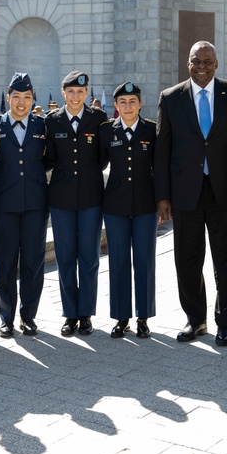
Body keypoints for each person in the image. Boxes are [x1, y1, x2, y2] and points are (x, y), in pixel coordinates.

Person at [154, 40, 227, 345]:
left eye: (207, 62)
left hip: (224, 191)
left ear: (217, 64)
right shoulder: (170, 98)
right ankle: (196, 320)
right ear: (188, 63)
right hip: (185, 193)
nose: (202, 68)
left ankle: (225, 322)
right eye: (196, 62)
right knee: (187, 260)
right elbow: (162, 150)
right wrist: (162, 196)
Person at [0, 72, 50, 337]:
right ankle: (6, 318)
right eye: (16, 97)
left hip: (35, 205)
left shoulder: (42, 126)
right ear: (8, 97)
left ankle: (29, 316)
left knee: (34, 263)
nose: (21, 103)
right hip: (4, 207)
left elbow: (50, 160)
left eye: (26, 98)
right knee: (5, 263)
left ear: (32, 98)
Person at [44, 71, 108, 336]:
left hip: (91, 198)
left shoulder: (98, 119)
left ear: (86, 93)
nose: (75, 96)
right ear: (63, 93)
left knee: (90, 258)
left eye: (80, 92)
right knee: (66, 257)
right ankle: (70, 314)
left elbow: (103, 158)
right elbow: (48, 159)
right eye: (71, 91)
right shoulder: (52, 121)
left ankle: (86, 314)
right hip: (61, 200)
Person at [99, 82, 157, 338]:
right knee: (119, 261)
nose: (128, 106)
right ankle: (121, 317)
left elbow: (160, 167)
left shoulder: (152, 130)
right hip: (115, 205)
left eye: (132, 101)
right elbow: (96, 164)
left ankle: (143, 317)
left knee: (144, 261)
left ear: (141, 104)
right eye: (122, 102)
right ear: (116, 106)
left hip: (145, 205)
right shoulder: (105, 132)